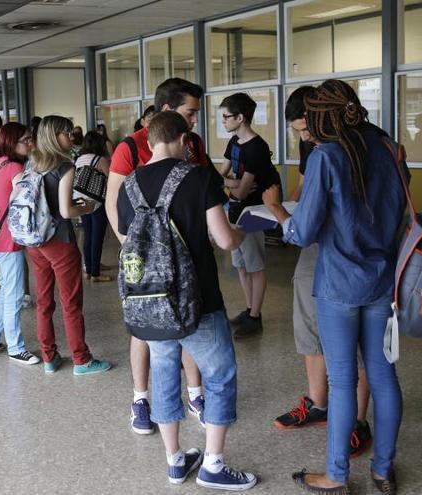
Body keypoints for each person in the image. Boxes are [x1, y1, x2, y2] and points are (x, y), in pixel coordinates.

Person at [264, 80, 406, 495]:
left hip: (339, 284)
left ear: (322, 115)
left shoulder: (328, 155)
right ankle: (383, 470)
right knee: (384, 377)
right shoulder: (388, 147)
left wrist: (275, 208)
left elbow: (303, 230)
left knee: (342, 381)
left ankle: (337, 476)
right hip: (382, 280)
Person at [117, 111, 256, 490]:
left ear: (148, 142)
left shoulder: (129, 185)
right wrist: (241, 233)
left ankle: (175, 461)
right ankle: (213, 463)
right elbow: (224, 239)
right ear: (183, 139)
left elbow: (129, 243)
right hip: (199, 301)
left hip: (151, 303)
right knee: (220, 374)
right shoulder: (197, 177)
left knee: (163, 375)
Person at [105, 77, 212, 436]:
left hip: (189, 259)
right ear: (167, 111)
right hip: (147, 263)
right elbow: (113, 202)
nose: (195, 120)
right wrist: (135, 249)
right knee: (145, 328)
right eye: (189, 112)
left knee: (189, 322)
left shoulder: (192, 144)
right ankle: (141, 399)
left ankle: (195, 394)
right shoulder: (130, 148)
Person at [275, 87, 373, 456]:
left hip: (352, 253)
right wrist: (297, 205)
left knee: (356, 341)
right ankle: (320, 405)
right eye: (298, 131)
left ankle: (356, 423)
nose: (305, 137)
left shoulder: (363, 145)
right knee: (309, 320)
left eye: (306, 128)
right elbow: (309, 186)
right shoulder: (317, 147)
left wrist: (281, 213)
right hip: (321, 245)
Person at [26, 115, 111, 376]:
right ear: (55, 136)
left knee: (44, 300)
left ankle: (49, 357)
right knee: (71, 302)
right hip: (60, 241)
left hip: (36, 240)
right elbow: (65, 210)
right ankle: (81, 359)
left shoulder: (33, 163)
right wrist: (84, 207)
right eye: (67, 134)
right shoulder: (64, 166)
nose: (71, 138)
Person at [217, 93, 279, 339]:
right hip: (235, 210)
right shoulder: (234, 142)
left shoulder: (257, 147)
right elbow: (218, 176)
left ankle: (256, 316)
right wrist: (232, 182)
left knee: (255, 265)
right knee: (241, 265)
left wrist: (231, 184)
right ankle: (249, 308)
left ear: (240, 117)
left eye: (226, 117)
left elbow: (243, 191)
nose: (223, 121)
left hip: (254, 213)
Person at [0, 122, 40, 365]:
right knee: (14, 295)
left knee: (5, 292)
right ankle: (16, 347)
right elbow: (26, 201)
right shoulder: (16, 167)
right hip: (9, 241)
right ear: (12, 142)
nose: (29, 143)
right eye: (25, 140)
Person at [75, 131, 111, 282]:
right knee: (97, 237)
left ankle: (89, 268)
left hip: (81, 200)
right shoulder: (100, 159)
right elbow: (111, 179)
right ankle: (96, 273)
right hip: (96, 201)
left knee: (88, 234)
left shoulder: (79, 159)